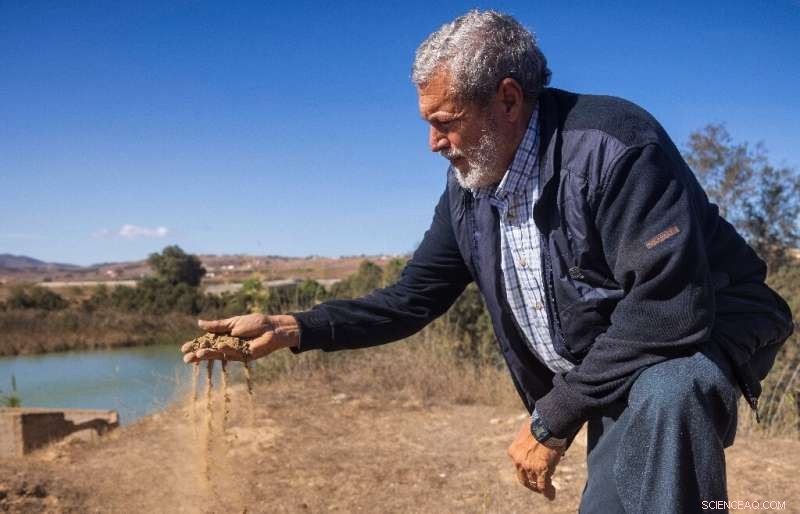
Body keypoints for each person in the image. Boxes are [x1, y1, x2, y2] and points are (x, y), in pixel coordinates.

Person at [181, 10, 794, 513]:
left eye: (445, 123)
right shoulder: (471, 194)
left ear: (506, 99)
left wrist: (553, 416)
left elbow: (669, 310)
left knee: (673, 387)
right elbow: (412, 299)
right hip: (611, 362)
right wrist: (293, 328)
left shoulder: (615, 147)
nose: (432, 144)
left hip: (702, 328)